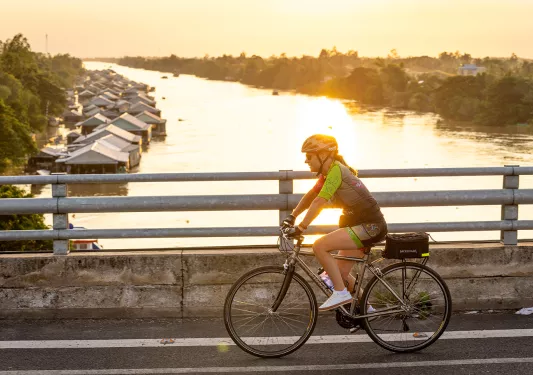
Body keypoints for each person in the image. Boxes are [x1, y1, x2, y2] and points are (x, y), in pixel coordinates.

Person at [283, 134, 388, 311]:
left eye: (309, 156)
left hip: (370, 227)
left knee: (319, 246)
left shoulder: (336, 171)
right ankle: (367, 312)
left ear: (323, 155)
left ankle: (340, 294)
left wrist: (301, 227)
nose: (306, 161)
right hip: (360, 226)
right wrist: (293, 216)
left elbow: (319, 201)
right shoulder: (330, 172)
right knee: (336, 275)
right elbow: (311, 195)